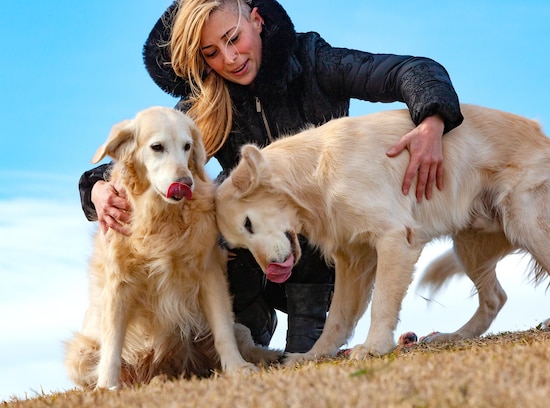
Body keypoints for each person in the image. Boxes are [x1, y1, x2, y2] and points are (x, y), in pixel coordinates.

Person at [78, 0, 463, 354]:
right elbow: (145, 149)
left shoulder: (314, 60)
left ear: (257, 21)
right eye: (211, 53)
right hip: (249, 263)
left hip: (320, 259)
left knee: (307, 361)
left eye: (234, 39)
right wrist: (97, 190)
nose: (229, 58)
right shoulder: (207, 102)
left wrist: (431, 119)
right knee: (216, 245)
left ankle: (322, 333)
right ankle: (247, 329)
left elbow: (412, 70)